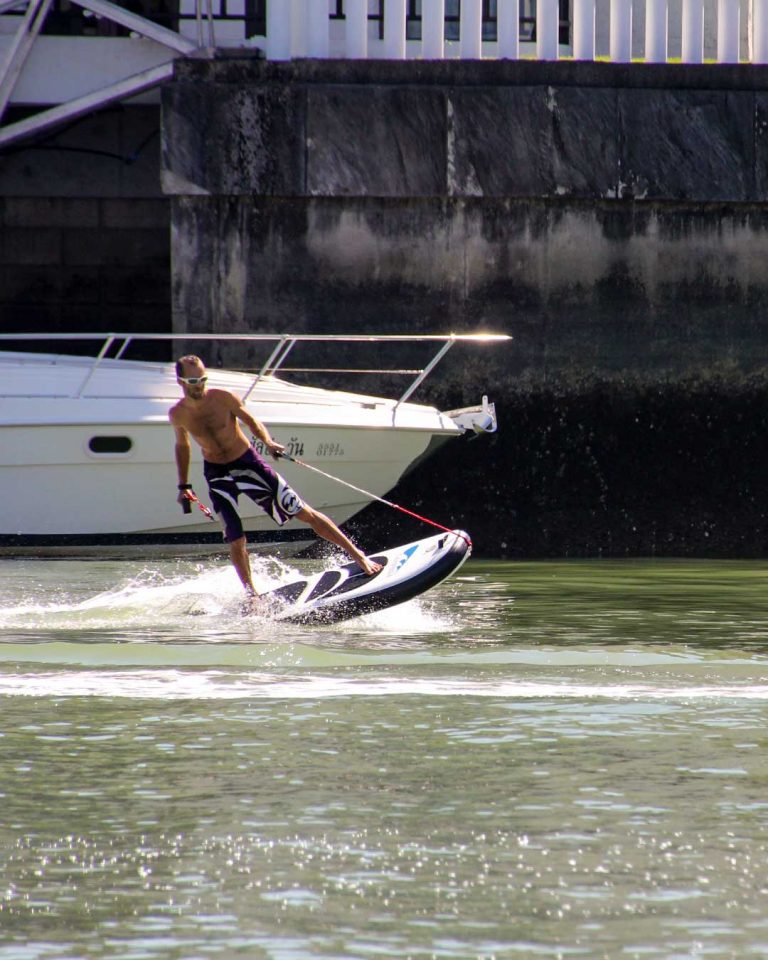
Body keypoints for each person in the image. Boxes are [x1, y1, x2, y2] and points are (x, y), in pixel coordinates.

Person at [169, 354, 382, 600]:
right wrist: (184, 485)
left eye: (203, 379)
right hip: (218, 475)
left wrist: (268, 442)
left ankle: (359, 556)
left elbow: (250, 421)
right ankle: (252, 595)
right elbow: (182, 446)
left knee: (303, 512)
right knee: (235, 537)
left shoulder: (223, 398)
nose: (200, 385)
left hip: (248, 463)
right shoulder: (178, 414)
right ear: (181, 381)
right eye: (194, 380)